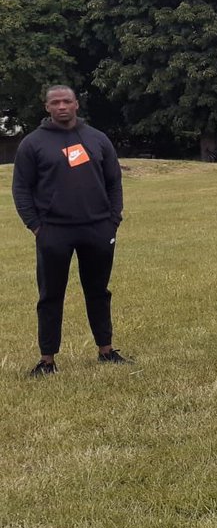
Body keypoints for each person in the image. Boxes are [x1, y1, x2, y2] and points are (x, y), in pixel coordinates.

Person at [12, 85, 129, 376]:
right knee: (50, 295)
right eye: (55, 102)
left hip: (98, 228)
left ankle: (106, 350)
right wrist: (36, 226)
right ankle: (47, 360)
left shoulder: (97, 139)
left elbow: (114, 181)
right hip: (54, 231)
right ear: (47, 108)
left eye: (67, 101)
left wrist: (113, 219)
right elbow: (21, 188)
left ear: (77, 104)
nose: (61, 106)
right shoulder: (33, 143)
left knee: (98, 291)